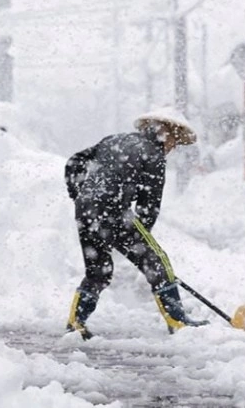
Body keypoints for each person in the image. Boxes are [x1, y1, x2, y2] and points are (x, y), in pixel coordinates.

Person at [64, 108, 209, 340]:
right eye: (174, 141)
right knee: (158, 261)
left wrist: (81, 195)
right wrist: (142, 243)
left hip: (86, 211)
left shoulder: (114, 140)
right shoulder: (153, 154)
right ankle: (177, 321)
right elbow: (149, 205)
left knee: (98, 271)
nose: (173, 148)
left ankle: (76, 321)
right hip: (114, 212)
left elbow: (74, 162)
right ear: (166, 132)